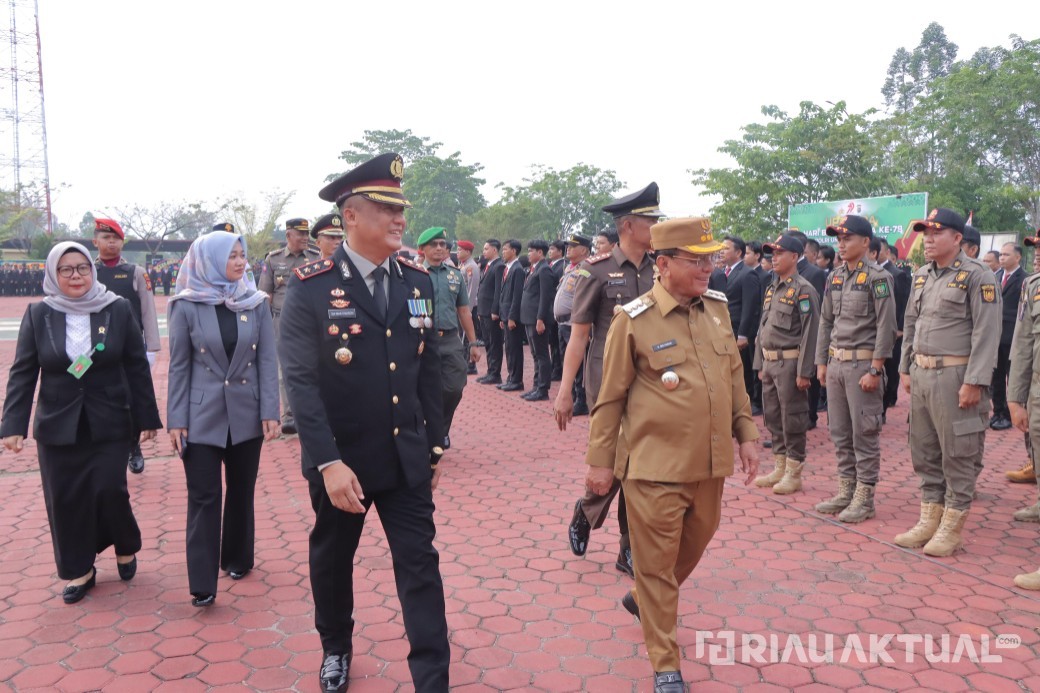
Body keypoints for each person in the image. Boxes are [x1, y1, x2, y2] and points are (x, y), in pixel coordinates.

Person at [279, 153, 449, 693]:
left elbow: (428, 370)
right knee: (333, 560)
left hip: (404, 456)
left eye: (402, 209)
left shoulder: (417, 281)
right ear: (350, 216)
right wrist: (327, 462)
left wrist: (436, 445)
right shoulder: (311, 285)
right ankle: (335, 646)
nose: (400, 219)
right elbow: (301, 383)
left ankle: (432, 679)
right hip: (342, 461)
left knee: (420, 565)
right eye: (387, 209)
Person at [586, 217, 759, 693]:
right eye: (696, 260)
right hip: (654, 467)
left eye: (710, 258)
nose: (708, 267)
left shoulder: (716, 310)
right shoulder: (633, 320)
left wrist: (746, 433)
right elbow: (609, 398)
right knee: (657, 566)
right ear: (663, 264)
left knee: (695, 543)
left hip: (709, 465)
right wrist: (600, 462)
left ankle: (643, 596)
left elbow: (734, 377)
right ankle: (666, 663)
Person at [1, 242, 161, 603]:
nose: (76, 276)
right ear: (53, 274)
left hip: (110, 418)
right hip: (57, 424)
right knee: (65, 498)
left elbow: (136, 366)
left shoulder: (116, 308)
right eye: (66, 269)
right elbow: (23, 371)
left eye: (83, 268)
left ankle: (125, 542)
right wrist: (13, 425)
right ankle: (79, 568)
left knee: (109, 489)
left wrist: (147, 418)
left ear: (93, 270)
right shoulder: (38, 314)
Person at [166, 231, 279, 607]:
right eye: (231, 256)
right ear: (209, 260)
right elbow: (179, 366)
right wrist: (176, 419)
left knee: (242, 490)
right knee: (204, 495)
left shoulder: (255, 302)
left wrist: (270, 411)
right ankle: (202, 582)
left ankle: (237, 557)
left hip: (247, 413)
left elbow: (267, 360)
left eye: (242, 255)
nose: (240, 262)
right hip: (201, 416)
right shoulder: (186, 304)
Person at [555, 182, 662, 577]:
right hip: (607, 380)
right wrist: (565, 391)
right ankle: (586, 510)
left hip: (650, 379)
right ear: (628, 226)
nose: (657, 227)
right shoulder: (595, 271)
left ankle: (629, 549)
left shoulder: (660, 268)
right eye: (650, 221)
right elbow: (579, 335)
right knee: (615, 459)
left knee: (641, 466)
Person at [894, 208, 1000, 556]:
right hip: (922, 373)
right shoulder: (921, 274)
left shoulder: (978, 275)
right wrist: (905, 366)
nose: (928, 239)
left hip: (956, 377)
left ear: (957, 238)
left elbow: (987, 333)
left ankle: (952, 528)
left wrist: (975, 381)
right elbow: (911, 321)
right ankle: (929, 519)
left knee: (958, 453)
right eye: (925, 233)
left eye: (936, 233)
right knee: (924, 451)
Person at [814, 215, 896, 523]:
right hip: (836, 364)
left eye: (847, 238)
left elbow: (887, 326)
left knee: (864, 433)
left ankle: (865, 498)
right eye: (838, 239)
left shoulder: (878, 277)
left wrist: (875, 369)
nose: (841, 244)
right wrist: (821, 362)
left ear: (865, 242)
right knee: (839, 432)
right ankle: (846, 490)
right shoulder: (835, 276)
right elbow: (826, 321)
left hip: (862, 365)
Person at [91, 218, 161, 474]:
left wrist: (151, 348)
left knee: (131, 397)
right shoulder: (88, 271)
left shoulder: (136, 272)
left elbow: (148, 310)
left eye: (116, 239)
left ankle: (134, 446)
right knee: (97, 395)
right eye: (106, 238)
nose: (111, 243)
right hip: (94, 347)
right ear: (95, 241)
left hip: (128, 348)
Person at [752, 234, 820, 495]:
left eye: (779, 253)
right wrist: (760, 363)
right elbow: (763, 327)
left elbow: (811, 332)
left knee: (793, 417)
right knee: (772, 416)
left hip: (790, 363)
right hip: (770, 362)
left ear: (794, 256)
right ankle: (779, 466)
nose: (774, 258)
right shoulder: (772, 288)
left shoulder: (804, 289)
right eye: (772, 253)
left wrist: (805, 371)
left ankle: (794, 471)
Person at [417, 227, 482, 447]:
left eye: (442, 244)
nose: (439, 248)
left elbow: (464, 311)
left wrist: (473, 343)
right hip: (422, 339)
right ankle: (427, 431)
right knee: (421, 388)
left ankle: (440, 429)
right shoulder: (415, 274)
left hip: (450, 339)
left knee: (454, 387)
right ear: (423, 249)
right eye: (433, 244)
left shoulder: (455, 275)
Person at [258, 217, 320, 434]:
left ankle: (311, 411)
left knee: (312, 364)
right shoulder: (273, 260)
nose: (305, 237)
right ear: (288, 235)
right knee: (284, 368)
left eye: (307, 233)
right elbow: (265, 294)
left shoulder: (315, 257)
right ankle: (290, 415)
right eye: (300, 233)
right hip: (280, 320)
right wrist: (263, 326)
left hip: (310, 321)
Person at [710, 236, 761, 415]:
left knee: (744, 369)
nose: (721, 252)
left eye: (725, 249)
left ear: (738, 252)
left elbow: (749, 306)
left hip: (739, 330)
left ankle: (749, 404)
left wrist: (743, 334)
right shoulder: (723, 272)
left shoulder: (747, 274)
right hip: (725, 329)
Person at [787, 230, 828, 428]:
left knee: (807, 375)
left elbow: (816, 310)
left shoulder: (814, 273)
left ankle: (810, 416)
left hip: (807, 332)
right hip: (787, 335)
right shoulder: (782, 272)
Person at [1008, 236, 1040, 486]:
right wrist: (1015, 399)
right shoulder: (1032, 286)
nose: (1037, 253)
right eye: (1037, 248)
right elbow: (1022, 345)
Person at [553, 234, 593, 416]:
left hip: (575, 324)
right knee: (566, 361)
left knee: (579, 364)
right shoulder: (570, 267)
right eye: (567, 246)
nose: (568, 249)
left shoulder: (587, 268)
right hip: (563, 323)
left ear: (584, 250)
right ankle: (572, 395)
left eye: (572, 246)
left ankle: (581, 400)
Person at [875, 239, 911, 420]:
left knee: (889, 368)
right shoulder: (870, 272)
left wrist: (900, 327)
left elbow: (904, 302)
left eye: (879, 250)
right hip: (876, 329)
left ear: (887, 252)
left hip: (893, 329)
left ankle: (884, 405)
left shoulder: (897, 274)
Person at [990, 242, 1024, 431]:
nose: (1002, 257)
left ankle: (1010, 414)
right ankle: (998, 412)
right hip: (995, 335)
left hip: (1013, 337)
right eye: (1001, 254)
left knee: (1012, 377)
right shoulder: (994, 277)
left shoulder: (1024, 279)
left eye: (1006, 254)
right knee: (996, 377)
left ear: (1017, 257)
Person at [497, 239, 526, 392]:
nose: (503, 252)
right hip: (506, 314)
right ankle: (511, 377)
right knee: (508, 348)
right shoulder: (508, 268)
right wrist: (503, 316)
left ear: (514, 251)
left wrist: (512, 317)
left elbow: (517, 295)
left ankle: (516, 380)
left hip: (512, 316)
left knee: (514, 349)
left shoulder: (518, 269)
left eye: (505, 249)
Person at [476, 239, 505, 385]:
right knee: (488, 342)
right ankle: (490, 371)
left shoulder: (499, 266)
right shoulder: (489, 265)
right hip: (483, 310)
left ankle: (495, 373)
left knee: (495, 343)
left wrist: (495, 310)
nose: (484, 251)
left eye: (486, 249)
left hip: (491, 312)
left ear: (494, 250)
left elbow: (498, 290)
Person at [456, 240, 481, 375]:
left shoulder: (471, 267)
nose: (457, 252)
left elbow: (472, 290)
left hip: (469, 308)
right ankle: (465, 363)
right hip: (462, 307)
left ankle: (469, 365)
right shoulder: (463, 265)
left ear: (467, 252)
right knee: (462, 335)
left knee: (467, 337)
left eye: (460, 250)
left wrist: (468, 310)